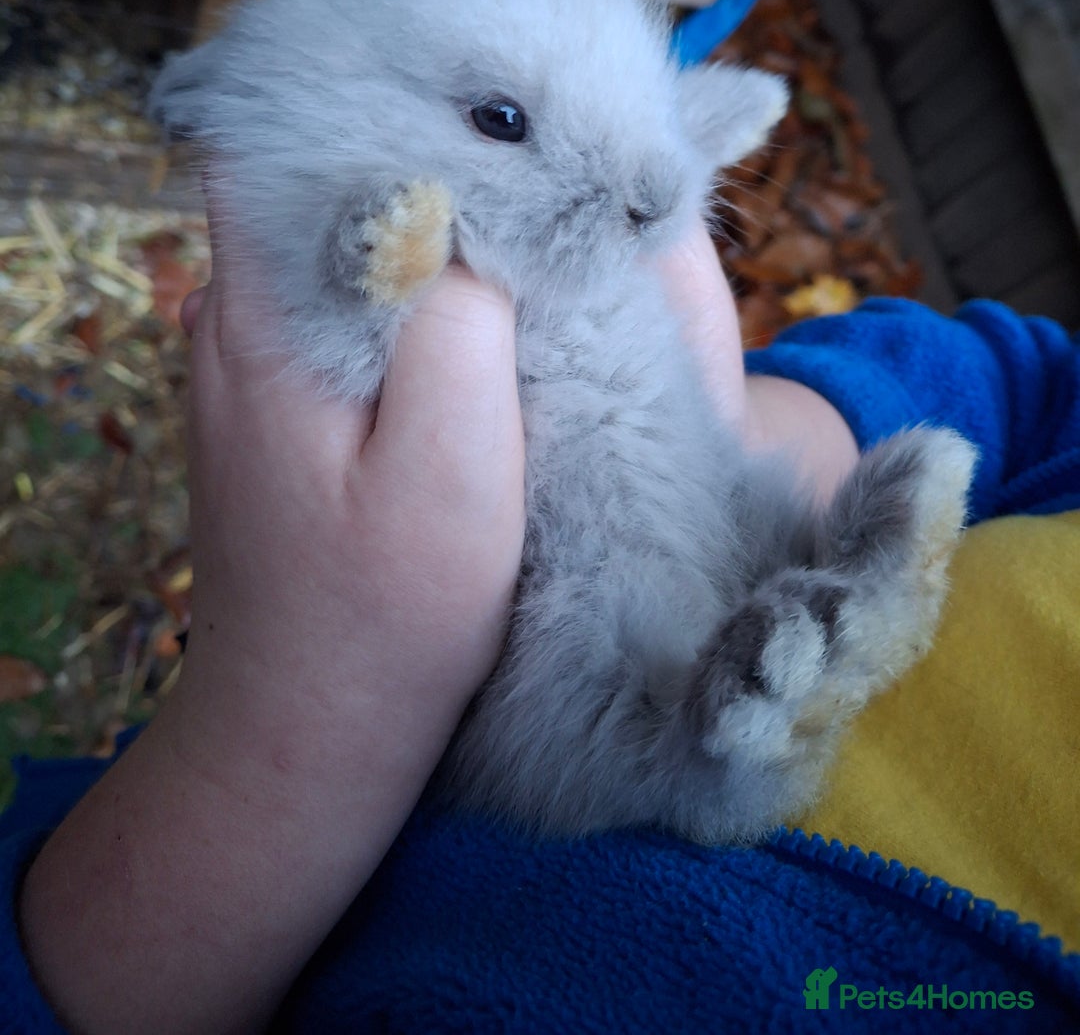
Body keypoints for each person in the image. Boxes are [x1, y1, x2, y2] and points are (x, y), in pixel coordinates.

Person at [2, 200, 1078, 1033]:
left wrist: (302, 705)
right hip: (705, 497)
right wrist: (732, 427)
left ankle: (687, 741)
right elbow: (1033, 386)